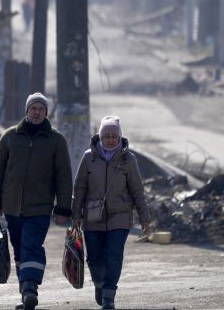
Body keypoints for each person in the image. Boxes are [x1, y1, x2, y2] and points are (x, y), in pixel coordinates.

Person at [0, 92, 73, 310]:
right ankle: (24, 290)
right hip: (12, 207)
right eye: (33, 108)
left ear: (46, 113)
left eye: (41, 109)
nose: (36, 112)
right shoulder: (9, 137)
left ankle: (30, 289)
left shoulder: (56, 140)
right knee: (18, 249)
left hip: (40, 207)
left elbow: (63, 175)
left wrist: (63, 207)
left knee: (31, 245)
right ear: (26, 111)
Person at [72, 116, 151, 309]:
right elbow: (79, 188)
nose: (110, 140)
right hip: (92, 216)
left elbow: (137, 191)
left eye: (114, 136)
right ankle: (99, 284)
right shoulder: (88, 157)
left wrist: (144, 218)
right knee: (94, 258)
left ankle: (109, 295)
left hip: (120, 216)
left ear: (120, 137)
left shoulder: (128, 160)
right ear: (99, 137)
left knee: (113, 255)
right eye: (106, 136)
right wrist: (75, 217)